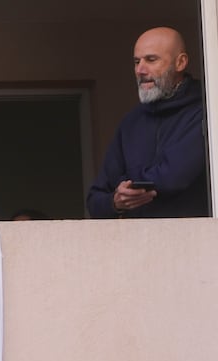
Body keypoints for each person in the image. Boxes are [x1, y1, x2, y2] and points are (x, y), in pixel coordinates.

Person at [86, 26, 208, 219]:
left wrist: (127, 182)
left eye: (151, 60)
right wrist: (115, 202)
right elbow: (95, 201)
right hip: (135, 245)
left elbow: (172, 177)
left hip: (194, 241)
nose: (140, 70)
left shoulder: (206, 111)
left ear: (180, 62)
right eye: (136, 62)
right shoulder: (131, 123)